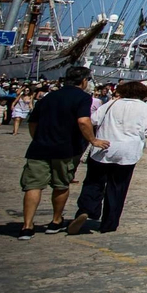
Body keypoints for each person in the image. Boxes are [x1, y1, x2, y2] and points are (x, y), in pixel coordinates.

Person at [18, 68, 105, 239]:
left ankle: (27, 226)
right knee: (61, 185)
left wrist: (38, 138)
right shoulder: (83, 98)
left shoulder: (48, 97)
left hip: (39, 148)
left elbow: (33, 122)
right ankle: (56, 221)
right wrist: (93, 140)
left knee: (33, 186)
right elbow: (83, 121)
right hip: (65, 148)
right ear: (84, 81)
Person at [66, 80, 147, 235]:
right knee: (118, 187)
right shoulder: (144, 108)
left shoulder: (111, 104)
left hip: (104, 147)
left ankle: (86, 209)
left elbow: (93, 120)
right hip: (128, 151)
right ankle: (109, 223)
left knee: (94, 182)